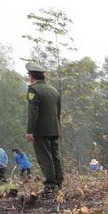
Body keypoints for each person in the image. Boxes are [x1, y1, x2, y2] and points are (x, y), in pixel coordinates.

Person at [25, 62, 64, 194]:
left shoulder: (33, 90)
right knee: (55, 156)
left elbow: (33, 113)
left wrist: (30, 131)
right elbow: (58, 111)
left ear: (31, 76)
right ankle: (58, 182)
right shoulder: (54, 90)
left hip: (41, 131)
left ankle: (50, 184)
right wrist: (57, 127)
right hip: (54, 129)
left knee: (44, 157)